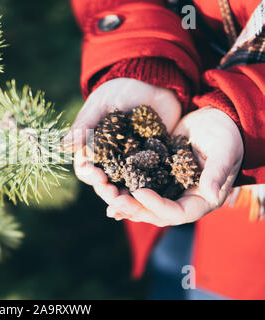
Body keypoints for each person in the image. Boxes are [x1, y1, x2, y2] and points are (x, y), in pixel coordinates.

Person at [65, 0, 265, 299]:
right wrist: (141, 60)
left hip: (247, 241)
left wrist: (244, 112)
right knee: (171, 269)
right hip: (173, 205)